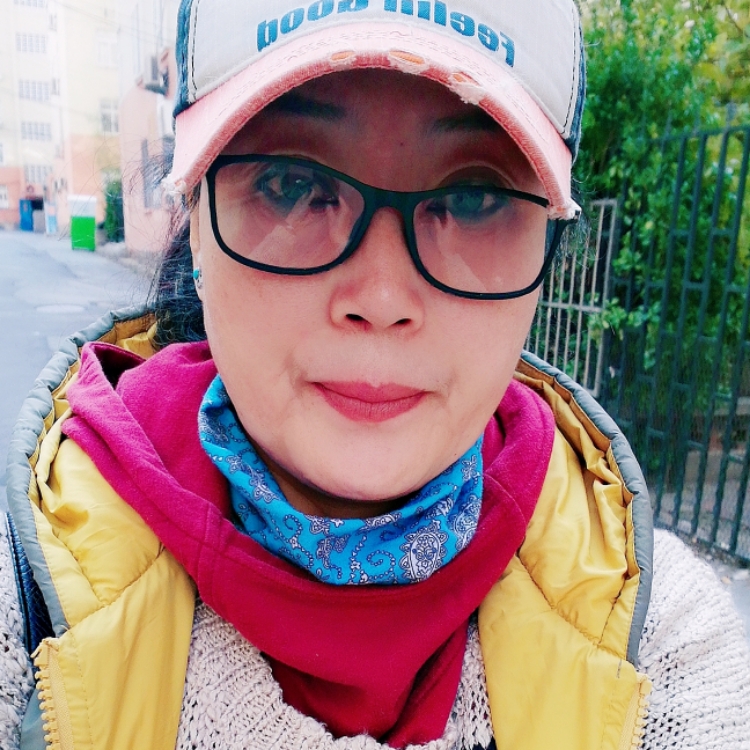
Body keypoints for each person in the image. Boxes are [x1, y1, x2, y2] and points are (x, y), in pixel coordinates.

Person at [2, 0, 750, 748]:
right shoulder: (32, 590)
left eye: (471, 199)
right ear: (195, 223)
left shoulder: (653, 636)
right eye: (292, 184)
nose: (383, 298)